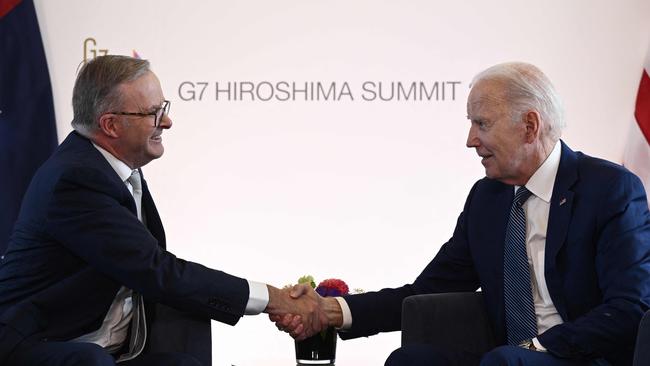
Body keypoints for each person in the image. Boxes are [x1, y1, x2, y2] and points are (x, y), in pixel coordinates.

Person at [275, 62, 650, 365]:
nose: (470, 139)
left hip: (582, 356)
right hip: (506, 358)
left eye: (481, 123)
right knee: (410, 360)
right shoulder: (487, 199)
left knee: (505, 362)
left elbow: (630, 307)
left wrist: (535, 349)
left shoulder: (609, 189)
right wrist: (331, 311)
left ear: (529, 126)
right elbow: (427, 290)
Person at [0, 55, 326, 366]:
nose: (167, 122)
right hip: (37, 344)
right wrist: (272, 298)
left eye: (164, 108)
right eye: (154, 112)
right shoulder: (75, 179)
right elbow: (155, 270)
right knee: (90, 361)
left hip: (107, 347)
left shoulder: (114, 167)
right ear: (111, 125)